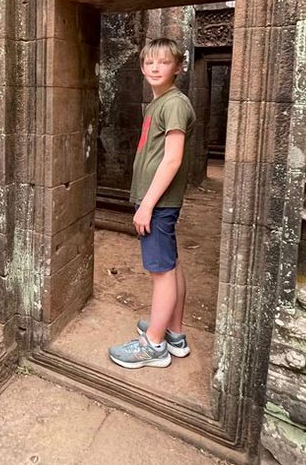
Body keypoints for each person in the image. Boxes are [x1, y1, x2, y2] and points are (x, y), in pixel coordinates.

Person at [109, 38, 196, 369]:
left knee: (160, 271)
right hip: (158, 202)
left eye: (163, 62)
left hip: (157, 203)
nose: (155, 68)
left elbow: (172, 160)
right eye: (149, 63)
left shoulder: (174, 104)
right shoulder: (159, 104)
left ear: (178, 67)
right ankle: (174, 333)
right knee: (170, 266)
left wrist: (146, 204)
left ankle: (154, 345)